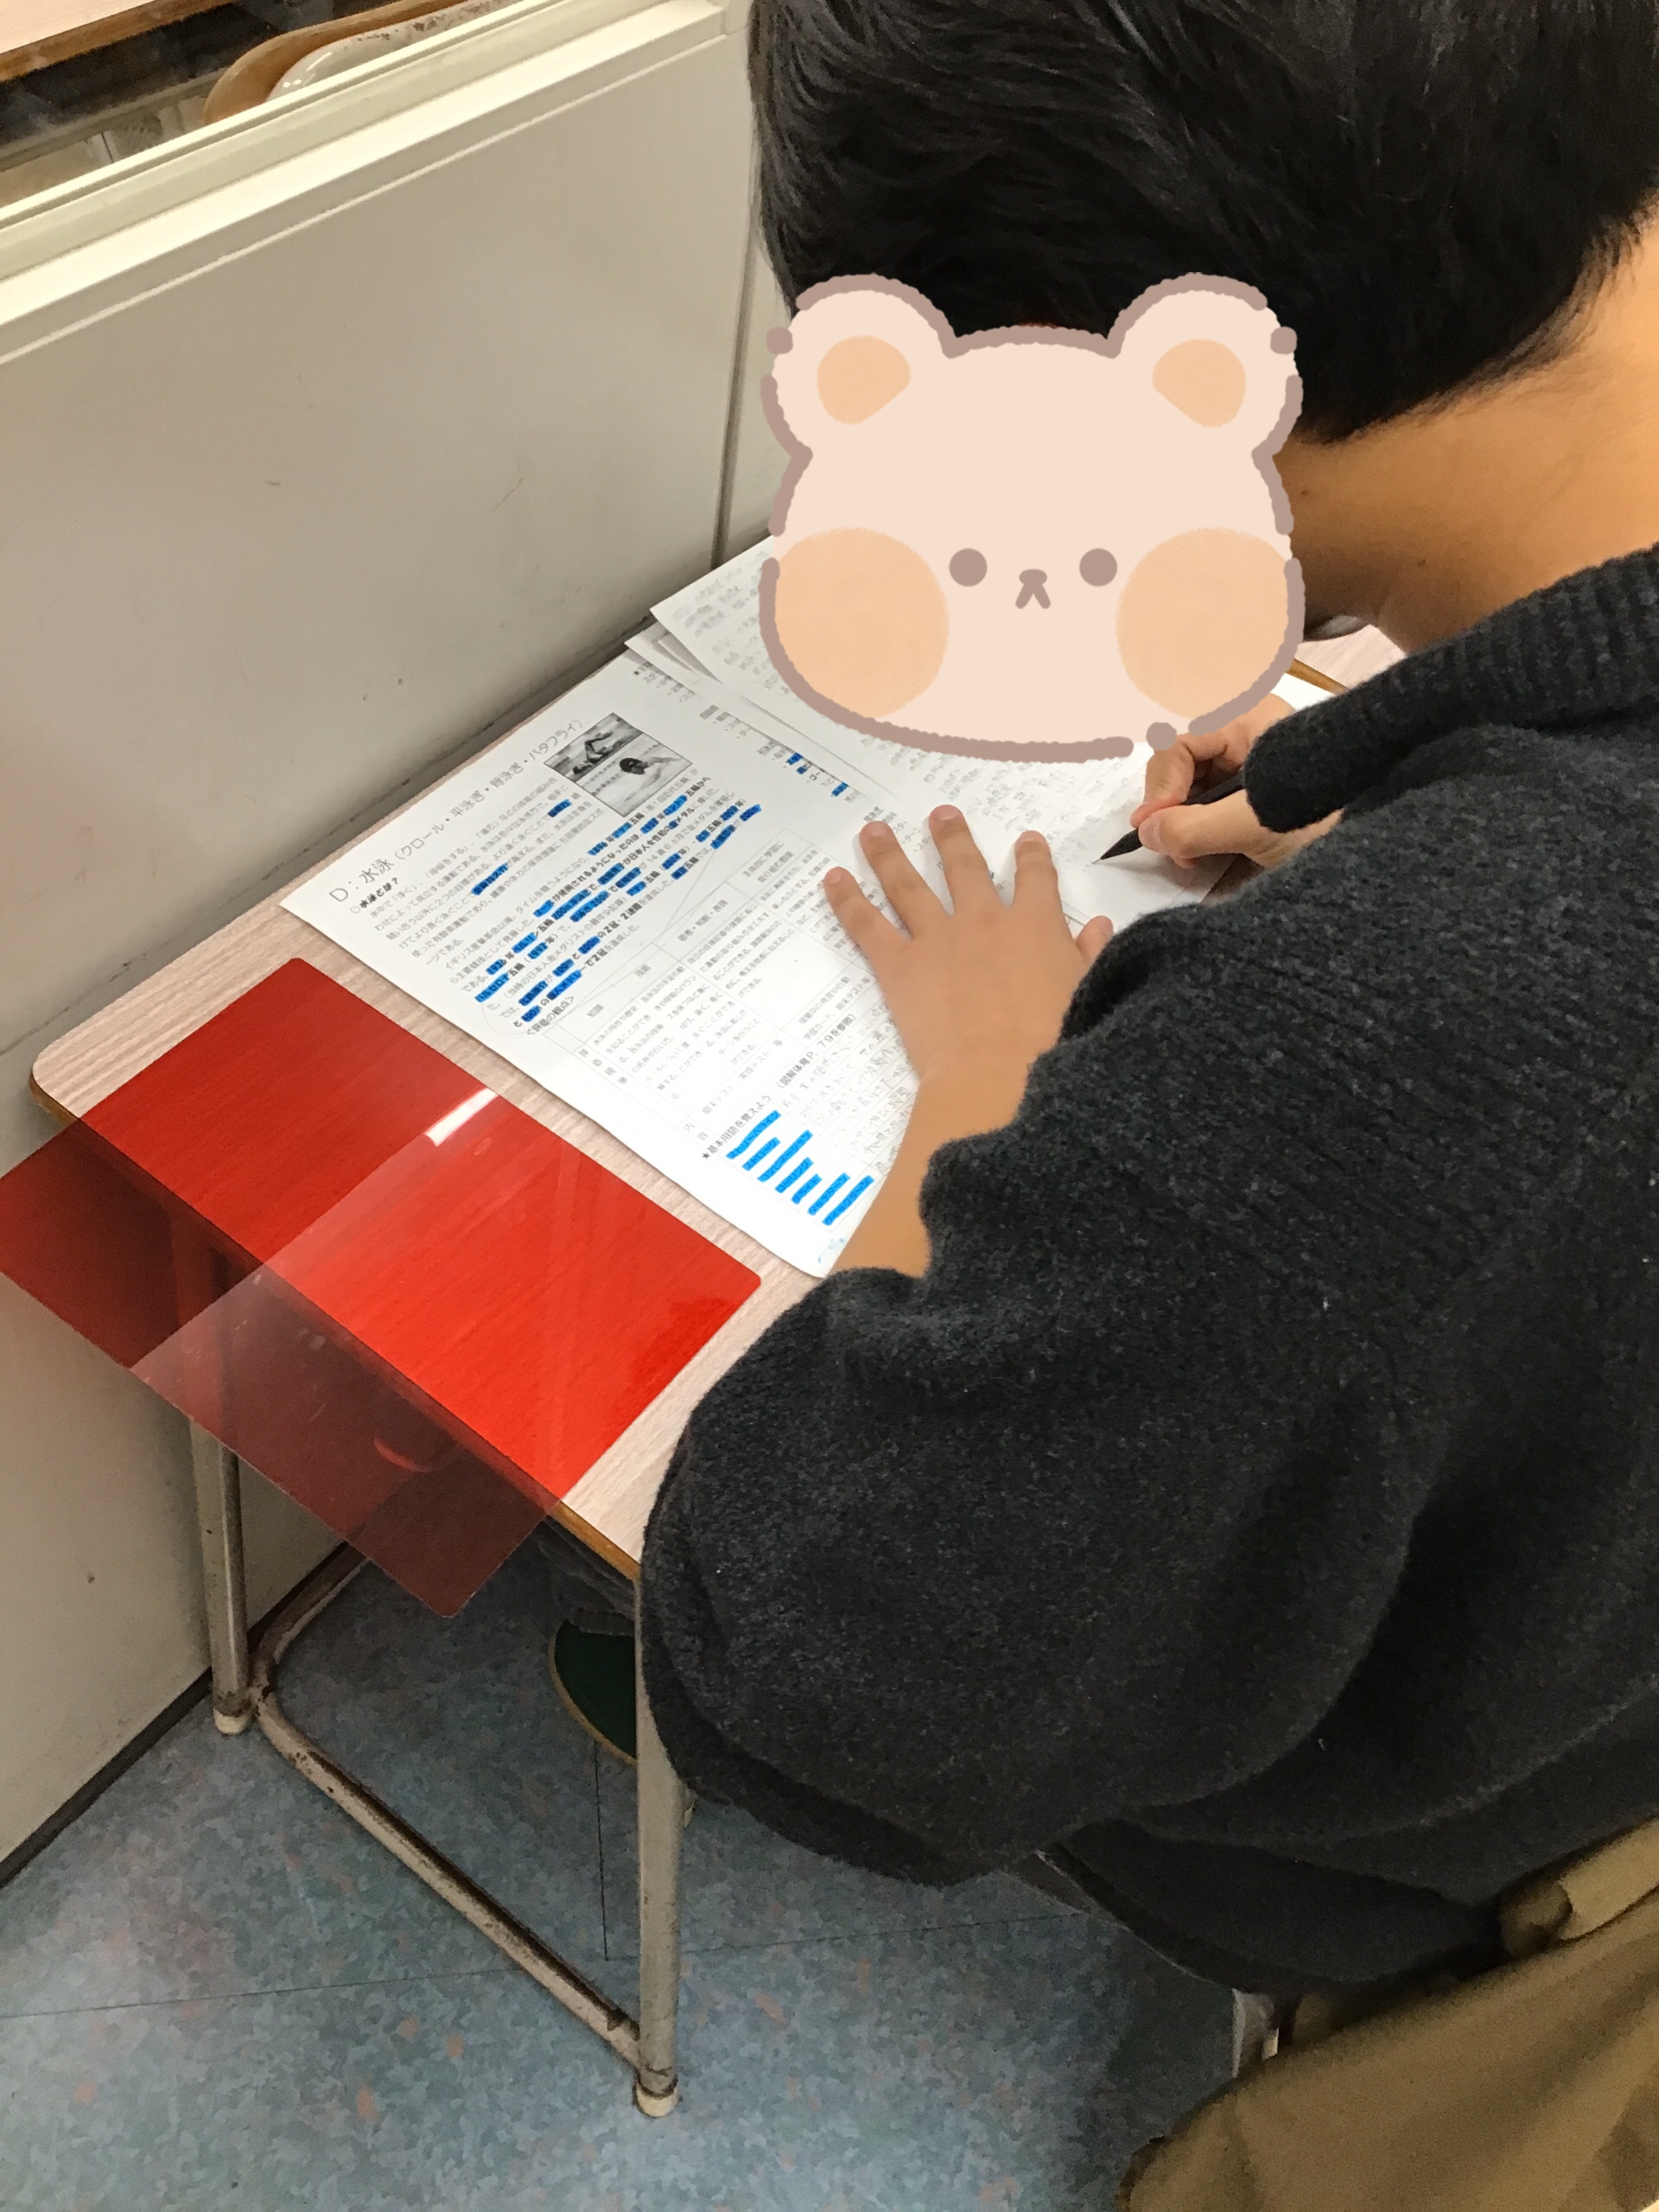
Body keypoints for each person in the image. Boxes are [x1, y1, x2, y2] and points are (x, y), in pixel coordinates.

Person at [554, 0, 1659, 2010]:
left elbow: (790, 1670)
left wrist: (987, 1085)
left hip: (1449, 1825)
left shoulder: (1370, 1054)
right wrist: (1403, 794)